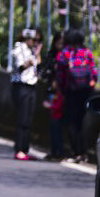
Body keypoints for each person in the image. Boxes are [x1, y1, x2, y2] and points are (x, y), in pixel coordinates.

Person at [54, 28, 97, 164]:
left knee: (71, 123)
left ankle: (75, 152)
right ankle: (84, 153)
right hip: (85, 92)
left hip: (71, 92)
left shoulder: (65, 54)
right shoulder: (87, 53)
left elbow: (60, 75)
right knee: (81, 123)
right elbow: (94, 73)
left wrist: (61, 89)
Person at [10, 27, 42, 160]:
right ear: (27, 38)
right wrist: (33, 57)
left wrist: (37, 53)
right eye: (34, 40)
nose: (35, 42)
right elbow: (21, 67)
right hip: (21, 86)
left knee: (28, 119)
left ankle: (25, 148)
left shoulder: (30, 50)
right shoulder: (18, 49)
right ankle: (19, 149)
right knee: (22, 118)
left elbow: (38, 64)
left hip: (31, 86)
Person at [39, 31, 66, 160]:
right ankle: (55, 150)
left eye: (62, 43)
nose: (60, 46)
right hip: (52, 94)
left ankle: (59, 151)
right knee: (53, 123)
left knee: (59, 124)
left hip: (63, 95)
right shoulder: (52, 57)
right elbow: (42, 72)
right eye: (58, 43)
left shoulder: (66, 57)